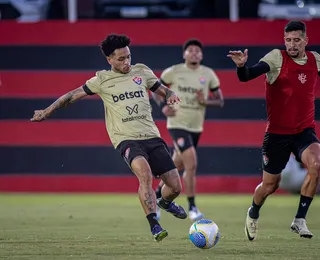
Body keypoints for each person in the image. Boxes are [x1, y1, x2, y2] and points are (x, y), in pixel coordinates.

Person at [30, 34, 188, 242]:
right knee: (145, 174)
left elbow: (162, 90)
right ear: (110, 60)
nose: (126, 62)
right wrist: (46, 111)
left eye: (128, 57)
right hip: (126, 139)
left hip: (152, 136)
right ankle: (154, 225)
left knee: (175, 187)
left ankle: (165, 203)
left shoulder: (142, 71)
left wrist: (170, 95)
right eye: (121, 59)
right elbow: (71, 96)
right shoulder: (101, 80)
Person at [227, 20, 320, 240]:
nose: (292, 44)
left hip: (304, 131)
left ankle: (299, 220)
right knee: (270, 185)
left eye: (296, 40)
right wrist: (241, 66)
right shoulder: (277, 58)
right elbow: (248, 75)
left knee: (316, 164)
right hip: (277, 134)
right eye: (288, 40)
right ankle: (253, 211)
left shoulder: (315, 60)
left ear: (306, 40)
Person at [152, 39, 224, 221]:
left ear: (201, 55)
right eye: (190, 50)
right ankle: (192, 207)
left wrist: (205, 101)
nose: (194, 53)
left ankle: (156, 197)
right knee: (191, 164)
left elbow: (220, 100)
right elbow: (155, 89)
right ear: (184, 54)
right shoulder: (174, 71)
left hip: (196, 127)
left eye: (197, 51)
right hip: (177, 123)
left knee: (176, 166)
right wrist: (163, 104)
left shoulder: (208, 74)